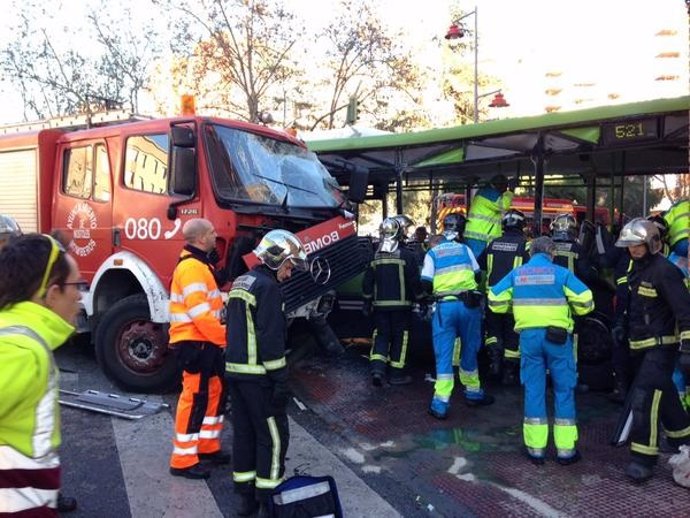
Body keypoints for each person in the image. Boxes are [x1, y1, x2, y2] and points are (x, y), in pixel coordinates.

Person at [488, 236, 594, 465]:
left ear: (530, 253)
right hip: (558, 338)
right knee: (564, 390)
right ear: (552, 253)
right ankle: (566, 451)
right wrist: (574, 311)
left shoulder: (518, 274)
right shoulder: (561, 273)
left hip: (528, 338)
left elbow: (494, 299)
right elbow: (586, 300)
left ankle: (536, 449)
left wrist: (514, 307)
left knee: (534, 389)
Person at [225, 229, 308, 517]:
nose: (289, 273)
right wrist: (281, 381)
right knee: (273, 438)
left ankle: (246, 500)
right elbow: (271, 340)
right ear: (276, 260)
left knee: (245, 436)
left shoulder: (242, 282)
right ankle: (269, 501)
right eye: (288, 265)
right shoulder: (268, 288)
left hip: (235, 374)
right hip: (259, 377)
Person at [0, 234, 83, 516]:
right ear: (52, 294)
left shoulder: (15, 334)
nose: (80, 295)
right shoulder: (21, 349)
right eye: (76, 285)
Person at [614, 218, 690, 483]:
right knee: (665, 394)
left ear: (651, 243)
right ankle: (684, 437)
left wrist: (688, 347)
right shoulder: (637, 269)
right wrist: (622, 325)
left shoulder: (665, 271)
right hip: (640, 348)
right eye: (630, 245)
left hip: (661, 349)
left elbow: (685, 311)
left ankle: (643, 459)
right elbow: (635, 305)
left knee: (645, 400)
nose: (633, 249)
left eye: (638, 244)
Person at [169, 218, 228, 480]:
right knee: (194, 399)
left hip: (204, 342)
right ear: (202, 238)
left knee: (213, 391)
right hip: (195, 343)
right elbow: (201, 314)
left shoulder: (200, 265)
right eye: (213, 231)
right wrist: (226, 338)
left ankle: (206, 446)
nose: (217, 235)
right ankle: (182, 460)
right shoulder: (192, 268)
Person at [422, 213, 494, 420]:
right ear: (461, 230)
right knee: (470, 348)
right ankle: (473, 392)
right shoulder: (466, 249)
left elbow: (426, 282)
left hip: (445, 308)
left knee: (444, 354)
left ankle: (440, 403)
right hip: (469, 306)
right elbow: (478, 274)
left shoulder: (433, 253)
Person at [362, 217, 420, 386]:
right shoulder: (407, 255)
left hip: (379, 307)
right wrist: (421, 298)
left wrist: (367, 302)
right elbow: (414, 281)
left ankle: (377, 370)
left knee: (381, 336)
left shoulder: (375, 255)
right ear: (400, 234)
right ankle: (396, 375)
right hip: (402, 307)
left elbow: (367, 282)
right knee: (400, 338)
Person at [477, 209, 530, 385]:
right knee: (512, 334)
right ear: (522, 225)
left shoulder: (493, 244)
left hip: (493, 297)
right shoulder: (525, 246)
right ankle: (509, 373)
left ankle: (494, 364)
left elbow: (480, 265)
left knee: (493, 332)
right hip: (516, 299)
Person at [464, 174, 515, 258]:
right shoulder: (490, 193)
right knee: (478, 263)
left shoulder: (485, 191)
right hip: (480, 237)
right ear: (499, 185)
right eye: (505, 187)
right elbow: (504, 205)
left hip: (477, 236)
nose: (505, 191)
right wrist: (511, 191)